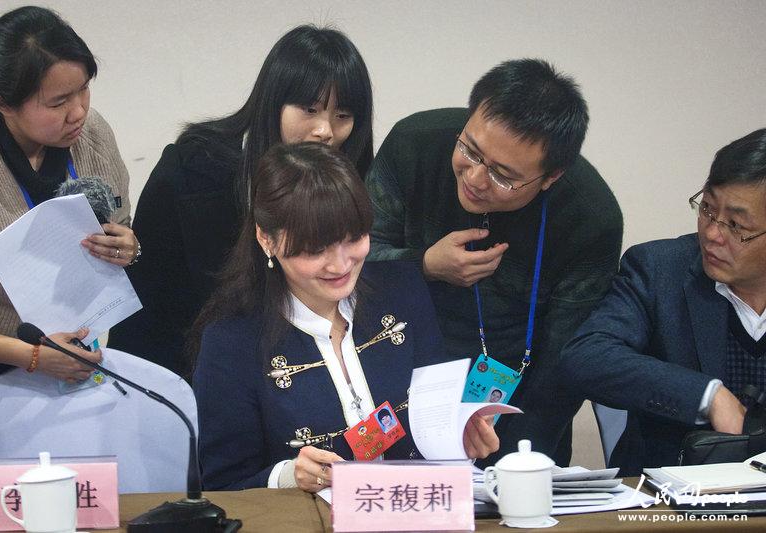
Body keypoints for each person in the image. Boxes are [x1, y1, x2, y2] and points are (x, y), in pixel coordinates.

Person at [192, 142, 498, 492]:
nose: (340, 265)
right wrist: (290, 476)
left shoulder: (402, 290)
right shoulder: (232, 342)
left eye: (353, 238)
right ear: (267, 239)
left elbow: (437, 413)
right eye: (315, 249)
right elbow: (222, 484)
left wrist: (464, 437)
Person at [365, 58, 623, 466]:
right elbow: (352, 263)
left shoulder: (589, 218)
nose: (475, 179)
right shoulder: (413, 144)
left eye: (503, 175)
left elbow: (564, 361)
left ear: (551, 177)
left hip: (514, 409)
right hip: (395, 385)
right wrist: (425, 266)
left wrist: (515, 463)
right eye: (470, 150)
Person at [108, 25, 373, 376]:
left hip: (299, 365)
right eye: (309, 109)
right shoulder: (196, 169)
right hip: (192, 364)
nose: (325, 130)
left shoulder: (343, 180)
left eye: (342, 116)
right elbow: (150, 294)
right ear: (274, 101)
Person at [0, 6, 137, 490]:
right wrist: (34, 357)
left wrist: (128, 245)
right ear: (1, 102)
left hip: (91, 357)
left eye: (84, 88)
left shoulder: (92, 132)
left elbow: (122, 224)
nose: (79, 110)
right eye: (58, 100)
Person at [561, 129, 766, 474]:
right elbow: (586, 355)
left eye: (736, 225)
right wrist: (707, 395)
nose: (713, 234)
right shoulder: (658, 270)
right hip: (669, 499)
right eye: (707, 210)